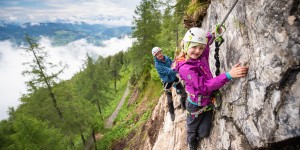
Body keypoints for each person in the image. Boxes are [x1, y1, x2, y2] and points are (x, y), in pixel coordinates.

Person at [173, 27, 249, 150]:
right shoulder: (185, 68)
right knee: (192, 129)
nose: (197, 51)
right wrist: (229, 75)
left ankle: (197, 137)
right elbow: (204, 86)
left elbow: (206, 43)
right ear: (186, 46)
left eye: (200, 48)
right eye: (194, 47)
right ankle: (191, 145)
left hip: (207, 102)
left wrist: (212, 35)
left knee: (204, 133)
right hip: (195, 105)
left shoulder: (201, 55)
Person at [152, 47, 187, 121]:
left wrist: (177, 61)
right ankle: (172, 113)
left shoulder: (166, 58)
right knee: (170, 100)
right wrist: (178, 67)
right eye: (157, 54)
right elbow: (169, 71)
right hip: (167, 81)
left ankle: (183, 105)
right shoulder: (158, 65)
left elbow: (172, 63)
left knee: (184, 94)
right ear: (155, 56)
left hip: (173, 78)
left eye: (160, 53)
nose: (160, 55)